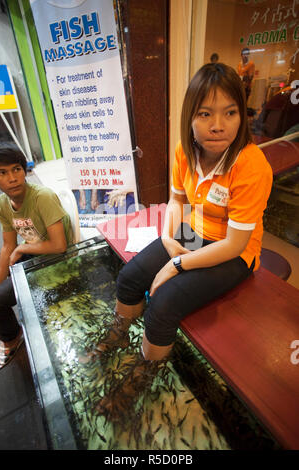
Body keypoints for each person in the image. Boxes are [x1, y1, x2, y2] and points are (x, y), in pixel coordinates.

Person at [90, 63, 273, 421]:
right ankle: (118, 333)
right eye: (205, 113)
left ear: (242, 115)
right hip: (194, 232)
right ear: (190, 116)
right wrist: (168, 239)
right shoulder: (184, 151)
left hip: (234, 253)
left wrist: (177, 263)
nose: (218, 124)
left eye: (230, 113)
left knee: (163, 302)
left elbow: (235, 244)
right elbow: (177, 202)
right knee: (130, 278)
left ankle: (143, 374)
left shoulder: (252, 166)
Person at [0, 143, 73, 369]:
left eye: (16, 169)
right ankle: (13, 335)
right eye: (2, 172)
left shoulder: (43, 197)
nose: (12, 178)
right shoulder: (3, 203)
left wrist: (22, 249)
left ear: (24, 170)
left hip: (57, 261)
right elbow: (8, 246)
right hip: (33, 253)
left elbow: (59, 246)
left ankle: (12, 339)